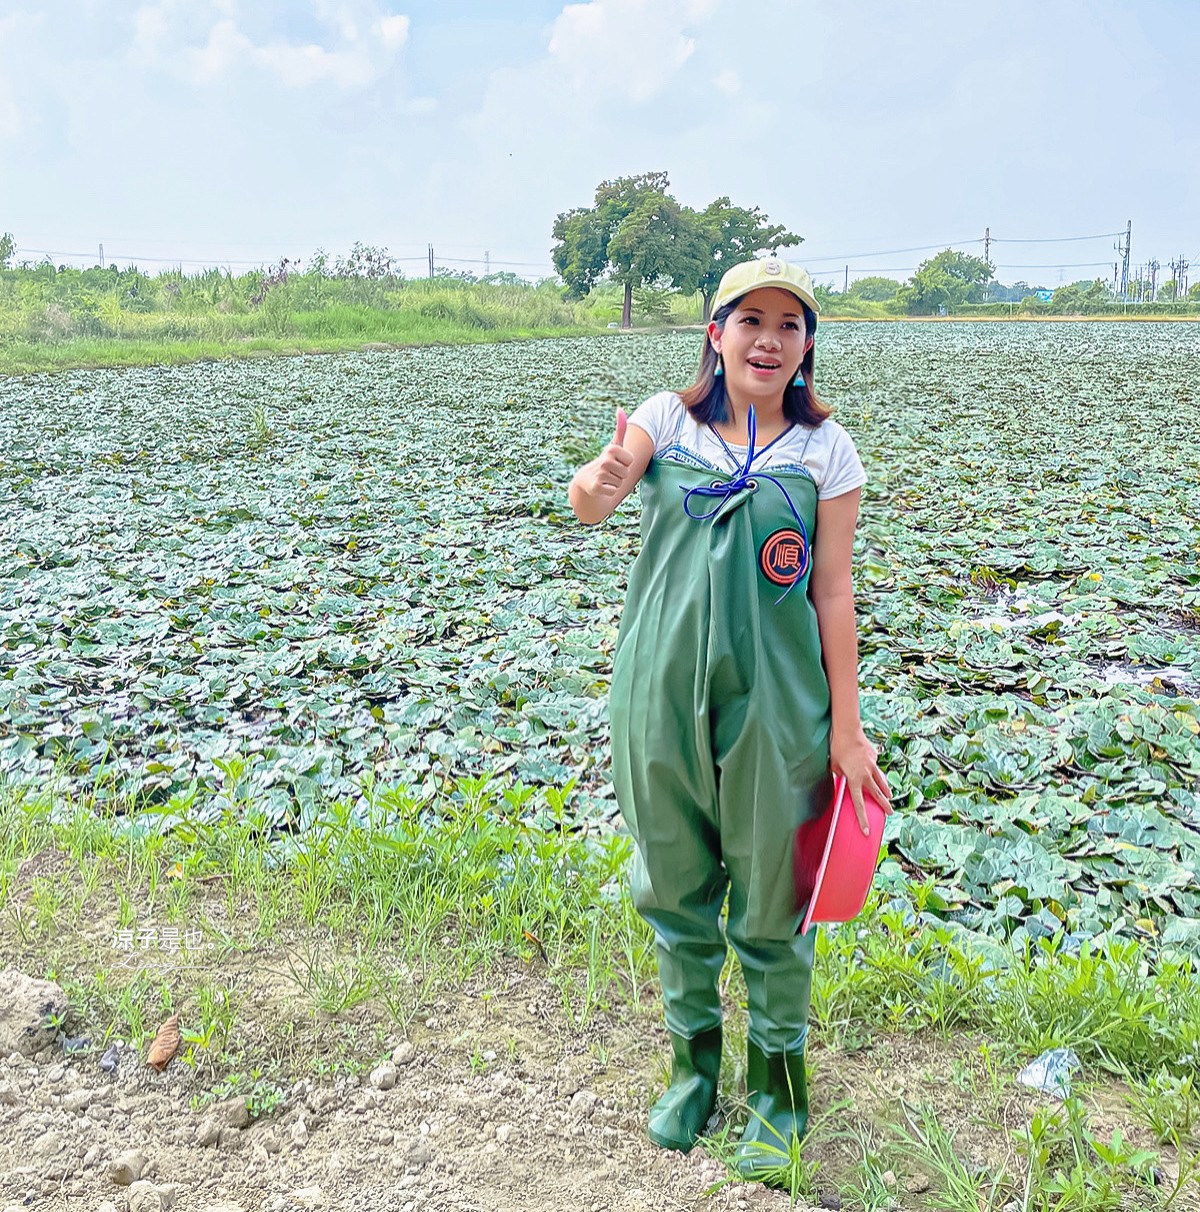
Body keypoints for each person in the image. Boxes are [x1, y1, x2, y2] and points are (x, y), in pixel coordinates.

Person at [568, 257, 892, 1179]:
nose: (769, 339)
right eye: (750, 319)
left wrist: (847, 728)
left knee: (774, 896)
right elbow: (591, 505)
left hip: (779, 706)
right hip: (657, 690)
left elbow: (834, 591)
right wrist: (598, 474)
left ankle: (778, 1091)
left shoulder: (828, 452)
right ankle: (692, 1071)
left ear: (807, 345)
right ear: (715, 333)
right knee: (672, 885)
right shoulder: (664, 422)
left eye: (789, 325)